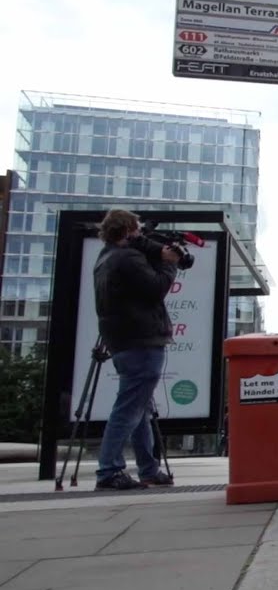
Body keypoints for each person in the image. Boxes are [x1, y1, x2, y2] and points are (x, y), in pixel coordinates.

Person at [93, 209, 181, 490]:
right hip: (141, 339)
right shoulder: (128, 258)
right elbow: (155, 288)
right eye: (138, 229)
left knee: (140, 407)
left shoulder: (104, 258)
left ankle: (148, 468)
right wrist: (169, 264)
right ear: (128, 229)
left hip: (122, 342)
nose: (141, 234)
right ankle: (109, 470)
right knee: (130, 407)